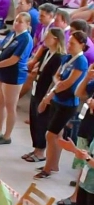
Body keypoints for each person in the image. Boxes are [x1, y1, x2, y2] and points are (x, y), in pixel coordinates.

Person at [36, 31, 90, 180]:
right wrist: (58, 84)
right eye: (69, 42)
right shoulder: (67, 57)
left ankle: (47, 167)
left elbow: (67, 83)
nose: (69, 45)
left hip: (68, 103)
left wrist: (49, 95)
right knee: (57, 134)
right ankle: (54, 164)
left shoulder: (81, 61)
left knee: (50, 134)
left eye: (72, 43)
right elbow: (56, 76)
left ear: (82, 45)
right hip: (58, 99)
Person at [0, 13, 34, 145]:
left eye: (20, 22)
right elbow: (0, 49)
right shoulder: (12, 34)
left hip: (14, 73)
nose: (17, 23)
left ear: (28, 25)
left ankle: (7, 136)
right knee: (0, 103)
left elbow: (14, 59)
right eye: (16, 20)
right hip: (2, 71)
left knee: (10, 106)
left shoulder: (26, 39)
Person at [24, 26, 68, 163]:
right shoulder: (46, 52)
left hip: (45, 92)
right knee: (34, 119)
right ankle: (36, 147)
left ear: (55, 39)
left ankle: (41, 151)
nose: (44, 39)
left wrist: (47, 97)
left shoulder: (59, 58)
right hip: (36, 88)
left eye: (48, 36)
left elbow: (55, 79)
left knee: (42, 121)